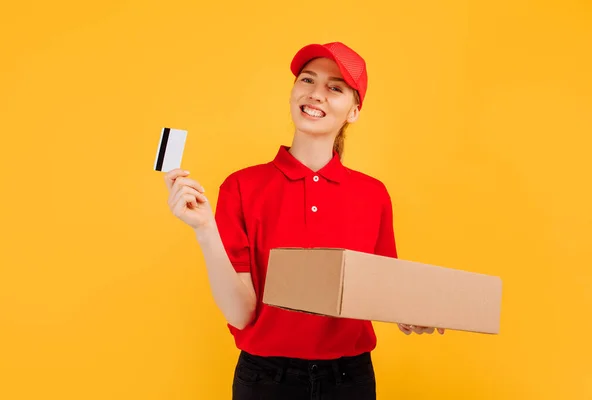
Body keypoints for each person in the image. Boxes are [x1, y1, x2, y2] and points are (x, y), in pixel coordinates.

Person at [163, 42, 444, 400]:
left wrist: (410, 313)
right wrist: (204, 229)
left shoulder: (373, 194)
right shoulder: (241, 187)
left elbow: (381, 295)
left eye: (335, 87)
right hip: (265, 379)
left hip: (349, 378)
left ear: (354, 111)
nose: (316, 94)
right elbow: (240, 313)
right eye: (307, 80)